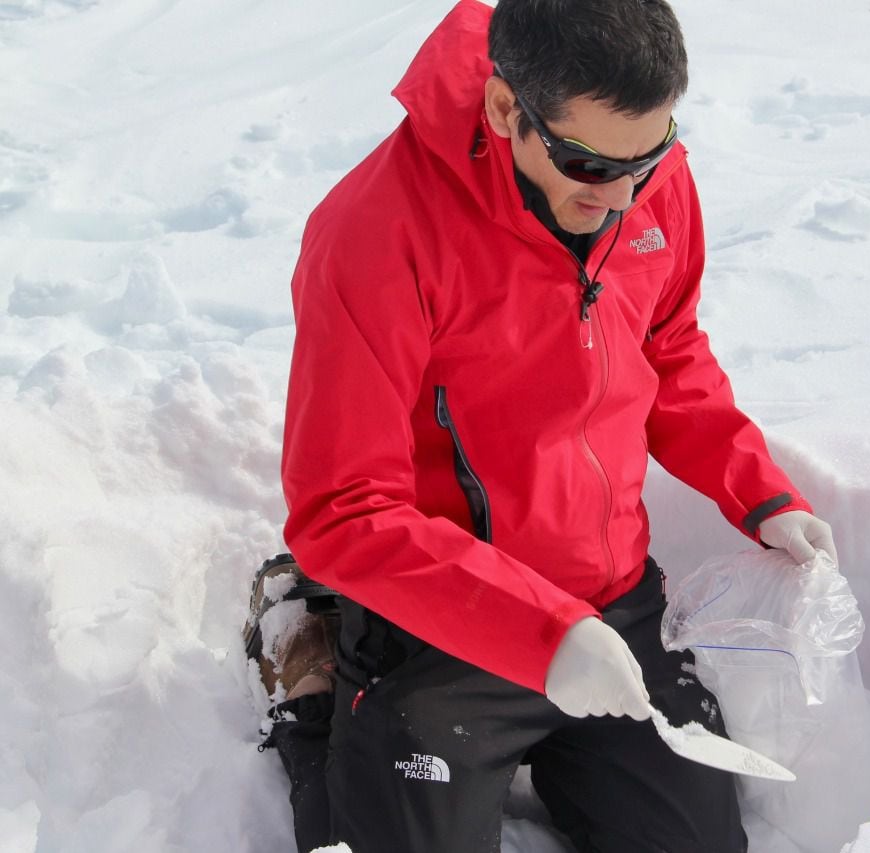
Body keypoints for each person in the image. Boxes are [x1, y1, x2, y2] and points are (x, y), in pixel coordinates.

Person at [246, 0, 838, 850]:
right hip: (441, 624)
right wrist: (541, 631)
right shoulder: (374, 234)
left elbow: (667, 350)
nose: (624, 196)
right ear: (503, 109)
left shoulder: (643, 180)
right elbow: (343, 507)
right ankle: (312, 671)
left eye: (652, 155)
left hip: (614, 607)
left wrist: (758, 490)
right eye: (589, 165)